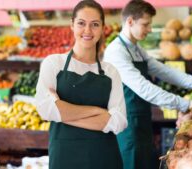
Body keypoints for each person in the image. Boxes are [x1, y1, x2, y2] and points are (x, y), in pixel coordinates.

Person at [103, 1, 192, 169]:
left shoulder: (135, 49)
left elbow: (165, 71)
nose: (150, 29)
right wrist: (186, 103)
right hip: (126, 125)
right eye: (146, 24)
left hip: (141, 120)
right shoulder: (116, 52)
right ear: (130, 21)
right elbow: (144, 88)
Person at [35, 1, 127, 169]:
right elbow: (45, 109)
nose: (87, 31)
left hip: (104, 158)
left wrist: (63, 113)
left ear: (102, 28)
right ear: (72, 25)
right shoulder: (53, 63)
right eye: (81, 23)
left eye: (95, 24)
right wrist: (98, 112)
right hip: (65, 159)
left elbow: (119, 121)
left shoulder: (110, 71)